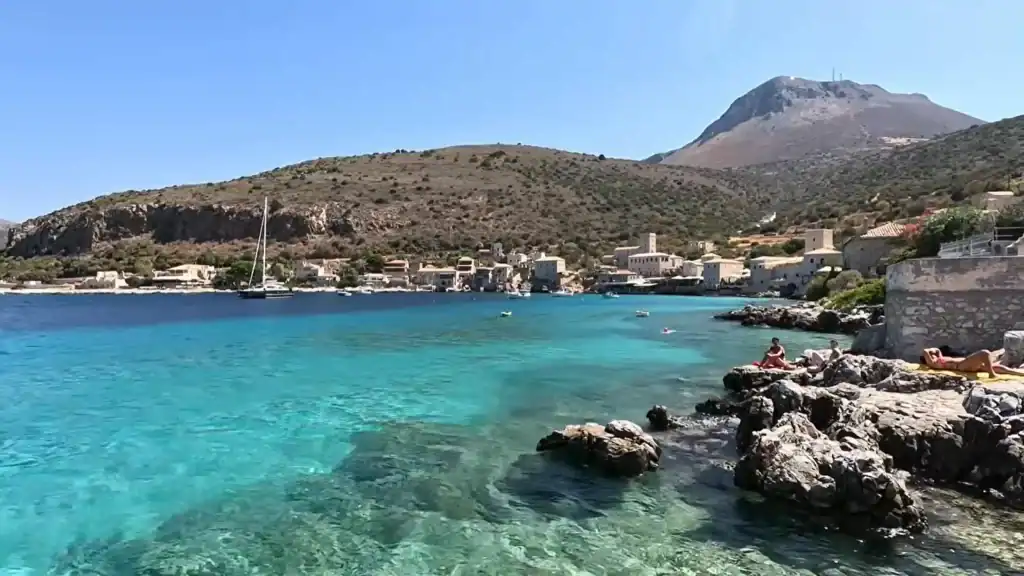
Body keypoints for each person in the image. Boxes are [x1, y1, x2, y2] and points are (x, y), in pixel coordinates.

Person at [921, 347, 1024, 378]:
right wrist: (930, 352)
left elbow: (937, 350)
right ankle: (991, 374)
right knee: (984, 353)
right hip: (962, 366)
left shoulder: (940, 357)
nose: (933, 354)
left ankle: (1020, 373)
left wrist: (934, 351)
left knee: (1000, 367)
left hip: (967, 364)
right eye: (932, 355)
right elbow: (926, 351)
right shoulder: (933, 363)